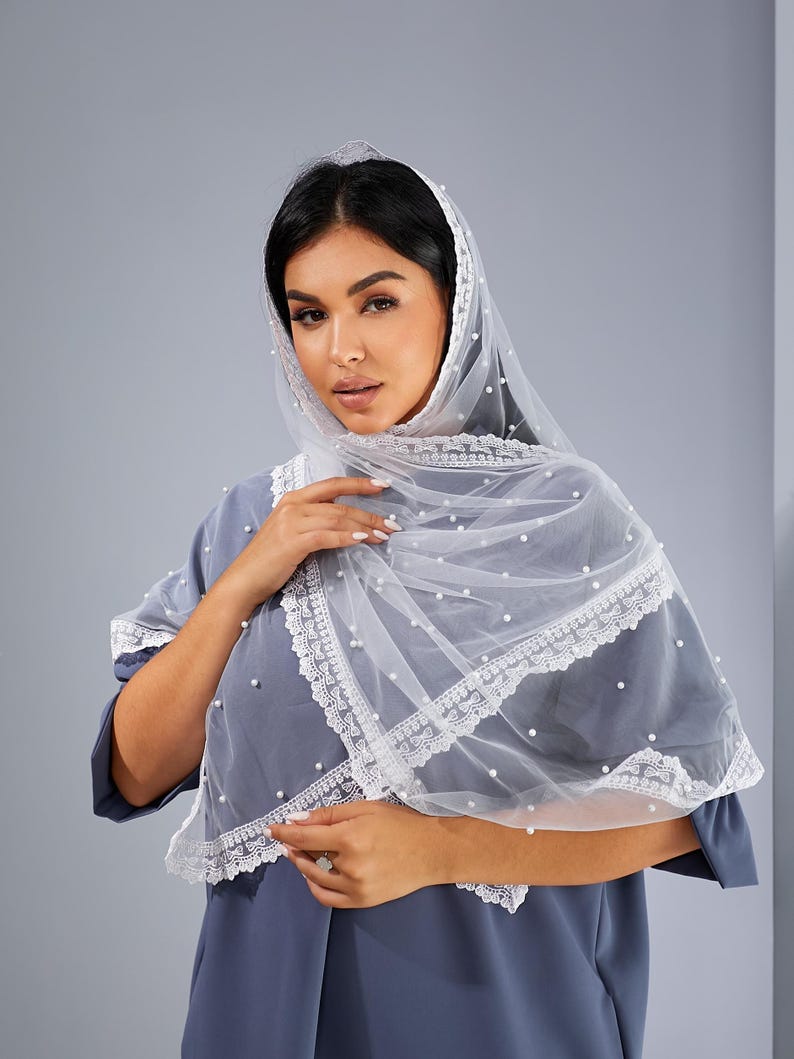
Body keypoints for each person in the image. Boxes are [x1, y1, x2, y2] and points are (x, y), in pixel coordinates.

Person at [91, 139, 764, 1058]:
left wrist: (441, 848)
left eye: (378, 300)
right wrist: (246, 579)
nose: (343, 349)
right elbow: (133, 770)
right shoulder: (256, 516)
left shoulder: (566, 516)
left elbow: (695, 811)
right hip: (262, 1014)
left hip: (494, 1011)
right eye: (309, 313)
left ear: (455, 300)